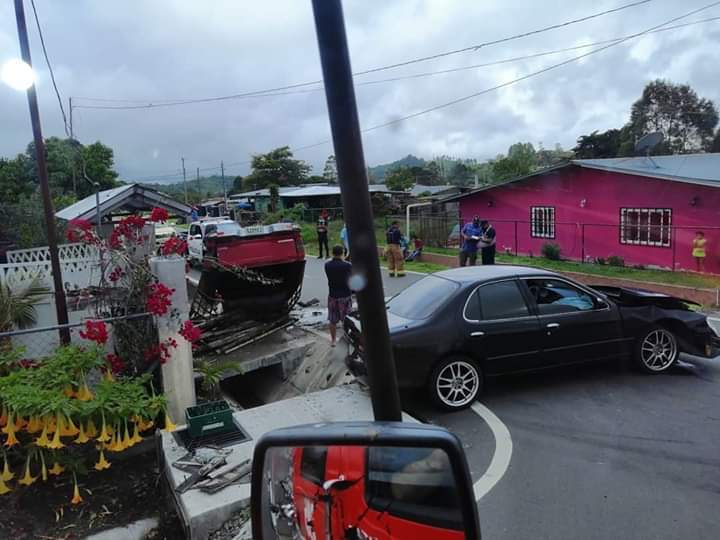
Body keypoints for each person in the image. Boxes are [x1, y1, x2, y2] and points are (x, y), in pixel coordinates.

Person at [325, 245, 353, 347]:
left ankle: (333, 341)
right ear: (343, 253)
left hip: (332, 295)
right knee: (346, 319)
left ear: (332, 253)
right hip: (345, 295)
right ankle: (347, 338)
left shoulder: (327, 265)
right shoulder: (347, 265)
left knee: (332, 319)